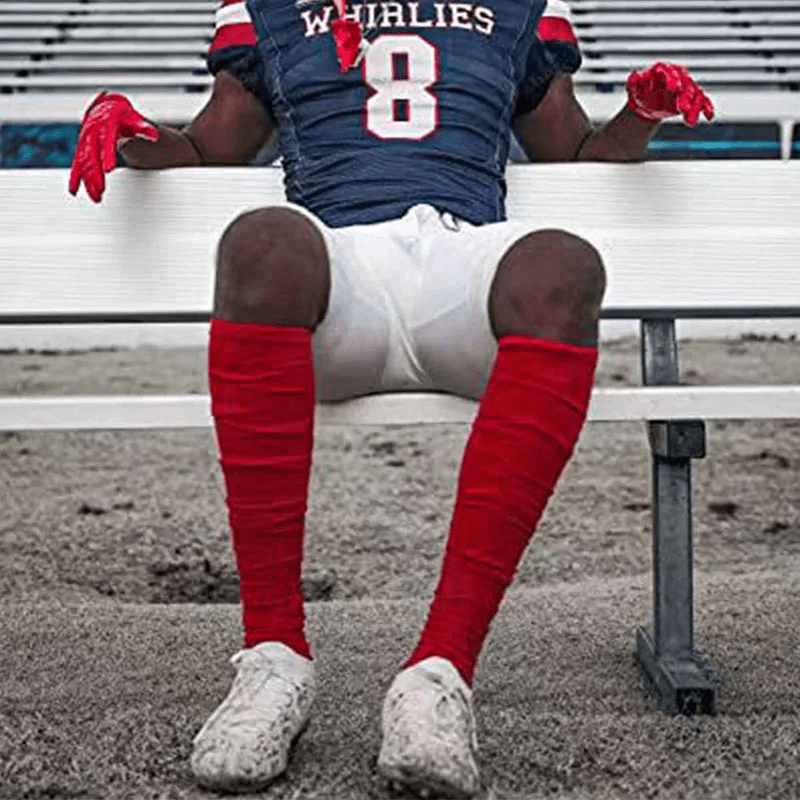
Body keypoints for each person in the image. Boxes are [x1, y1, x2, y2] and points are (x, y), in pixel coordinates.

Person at [69, 0, 713, 795]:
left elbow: (576, 151)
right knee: (261, 241)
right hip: (341, 280)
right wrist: (133, 132)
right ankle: (272, 658)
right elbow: (207, 146)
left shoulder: (520, 10)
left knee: (563, 264)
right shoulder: (269, 11)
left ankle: (440, 672)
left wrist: (640, 117)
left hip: (460, 263)